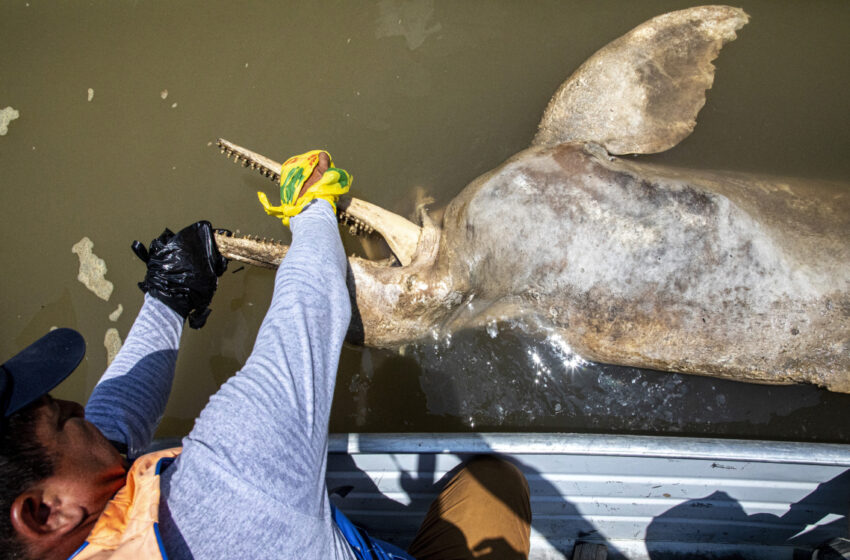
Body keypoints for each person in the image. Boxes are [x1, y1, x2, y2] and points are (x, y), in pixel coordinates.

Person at [0, 150, 531, 560]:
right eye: (63, 420)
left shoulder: (69, 525)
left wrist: (168, 298)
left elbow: (113, 428)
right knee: (495, 483)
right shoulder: (231, 475)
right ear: (44, 513)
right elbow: (314, 304)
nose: (79, 408)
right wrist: (312, 205)